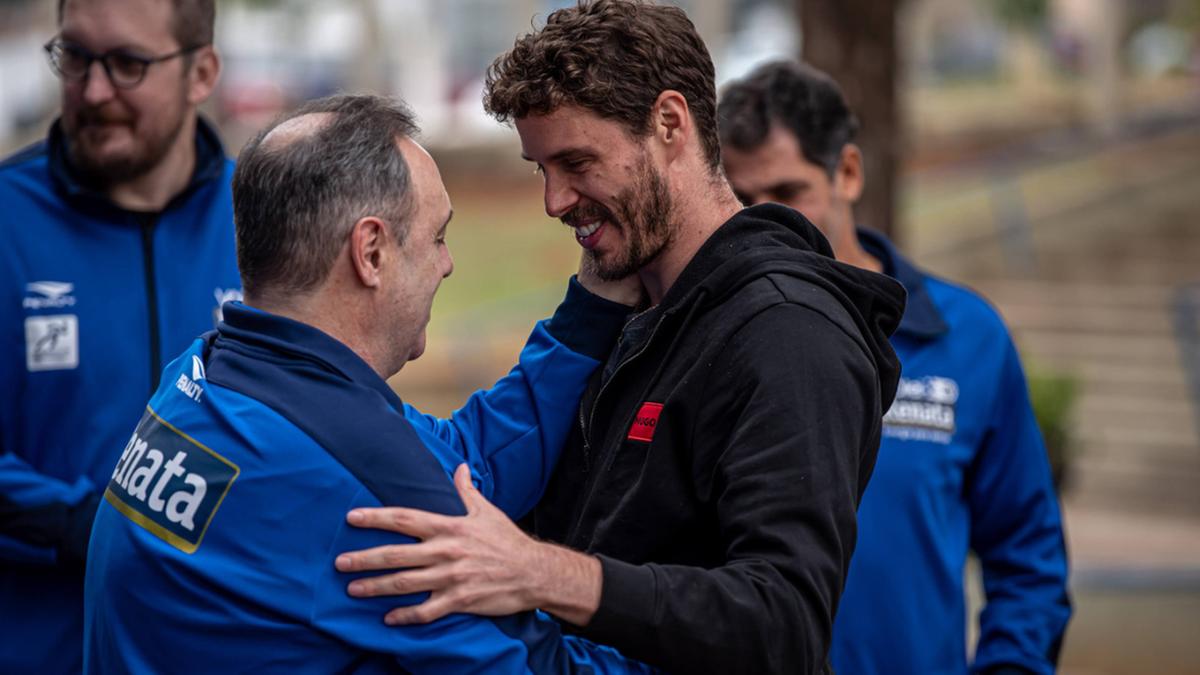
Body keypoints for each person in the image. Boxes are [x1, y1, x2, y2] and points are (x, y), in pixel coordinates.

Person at [333, 2, 906, 672]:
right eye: (541, 168)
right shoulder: (627, 302)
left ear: (670, 124)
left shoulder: (789, 333)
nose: (555, 200)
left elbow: (783, 624)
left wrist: (540, 572)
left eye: (576, 161)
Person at [83, 94, 655, 673]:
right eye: (437, 236)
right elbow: (537, 665)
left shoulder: (203, 380)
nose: (448, 262)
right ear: (372, 251)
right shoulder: (361, 487)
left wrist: (588, 314)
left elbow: (451, 463)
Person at [717, 60, 1072, 675]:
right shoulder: (702, 339)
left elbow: (1028, 555)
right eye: (743, 200)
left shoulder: (968, 339)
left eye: (787, 194)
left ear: (847, 173)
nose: (765, 223)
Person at [0, 0, 236, 671]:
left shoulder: (268, 229)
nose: (94, 90)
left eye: (128, 63)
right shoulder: (6, 222)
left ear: (202, 72)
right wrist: (98, 525)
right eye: (76, 57)